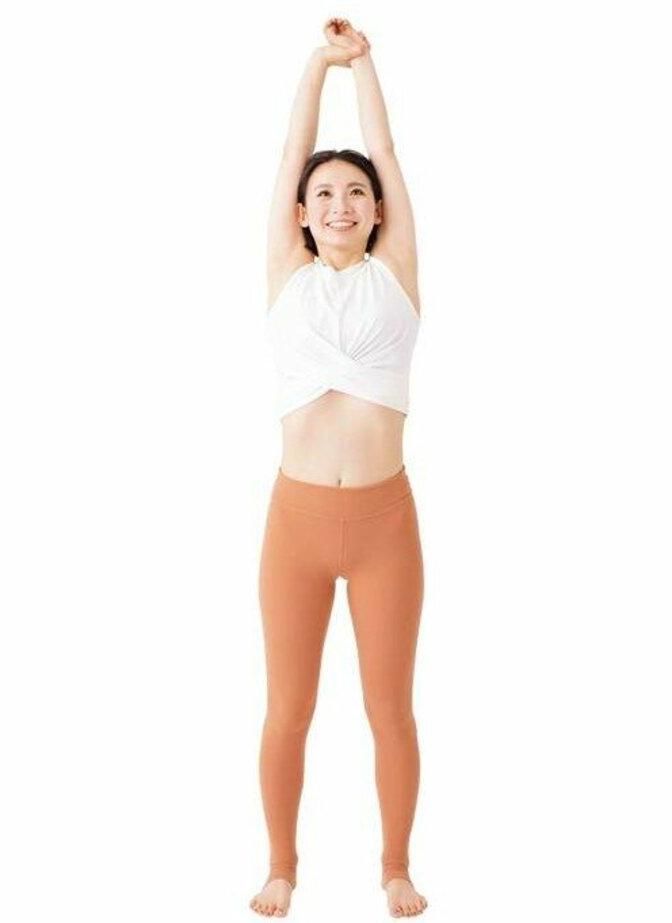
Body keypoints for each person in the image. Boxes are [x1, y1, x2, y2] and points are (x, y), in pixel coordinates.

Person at [249, 18, 428, 919]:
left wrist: (365, 67)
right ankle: (282, 866)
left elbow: (386, 151)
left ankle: (395, 867)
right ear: (302, 213)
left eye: (356, 192)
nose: (341, 203)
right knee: (289, 708)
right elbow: (291, 151)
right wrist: (318, 63)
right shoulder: (289, 275)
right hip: (298, 526)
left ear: (377, 210)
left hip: (386, 525)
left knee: (389, 709)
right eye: (325, 193)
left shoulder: (395, 274)